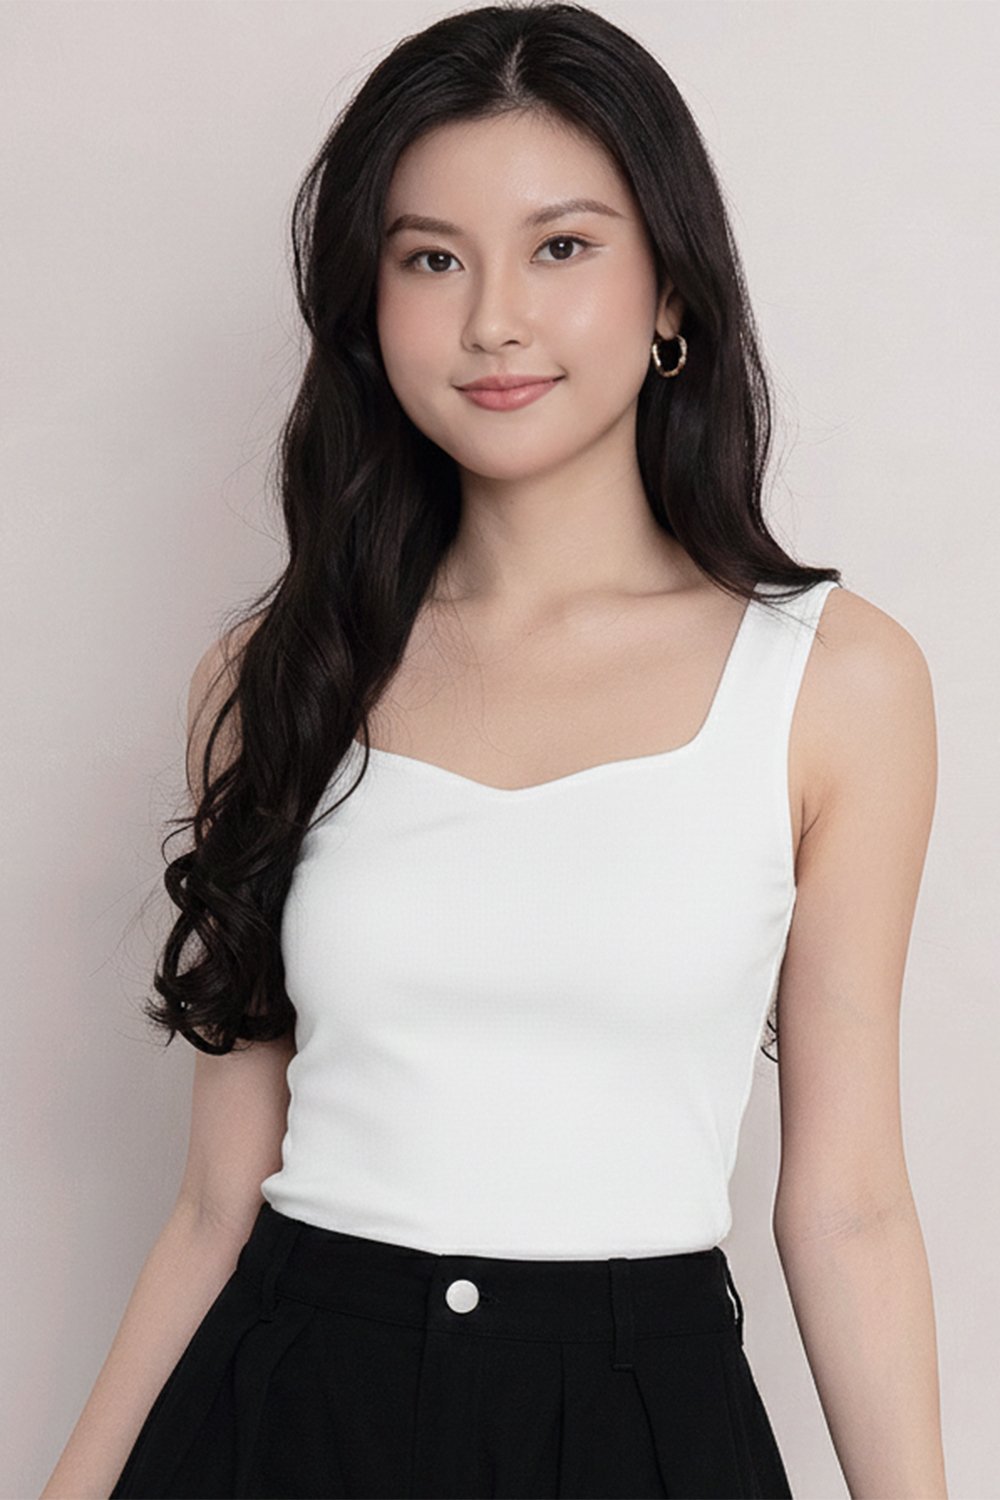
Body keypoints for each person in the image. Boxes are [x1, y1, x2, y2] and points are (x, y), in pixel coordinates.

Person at [42, 3, 947, 1497]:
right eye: (432, 259)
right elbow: (213, 1203)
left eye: (562, 247)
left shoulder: (835, 683)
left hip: (637, 1425)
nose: (493, 322)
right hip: (285, 1415)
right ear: (369, 305)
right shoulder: (277, 676)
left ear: (672, 292)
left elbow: (847, 1207)